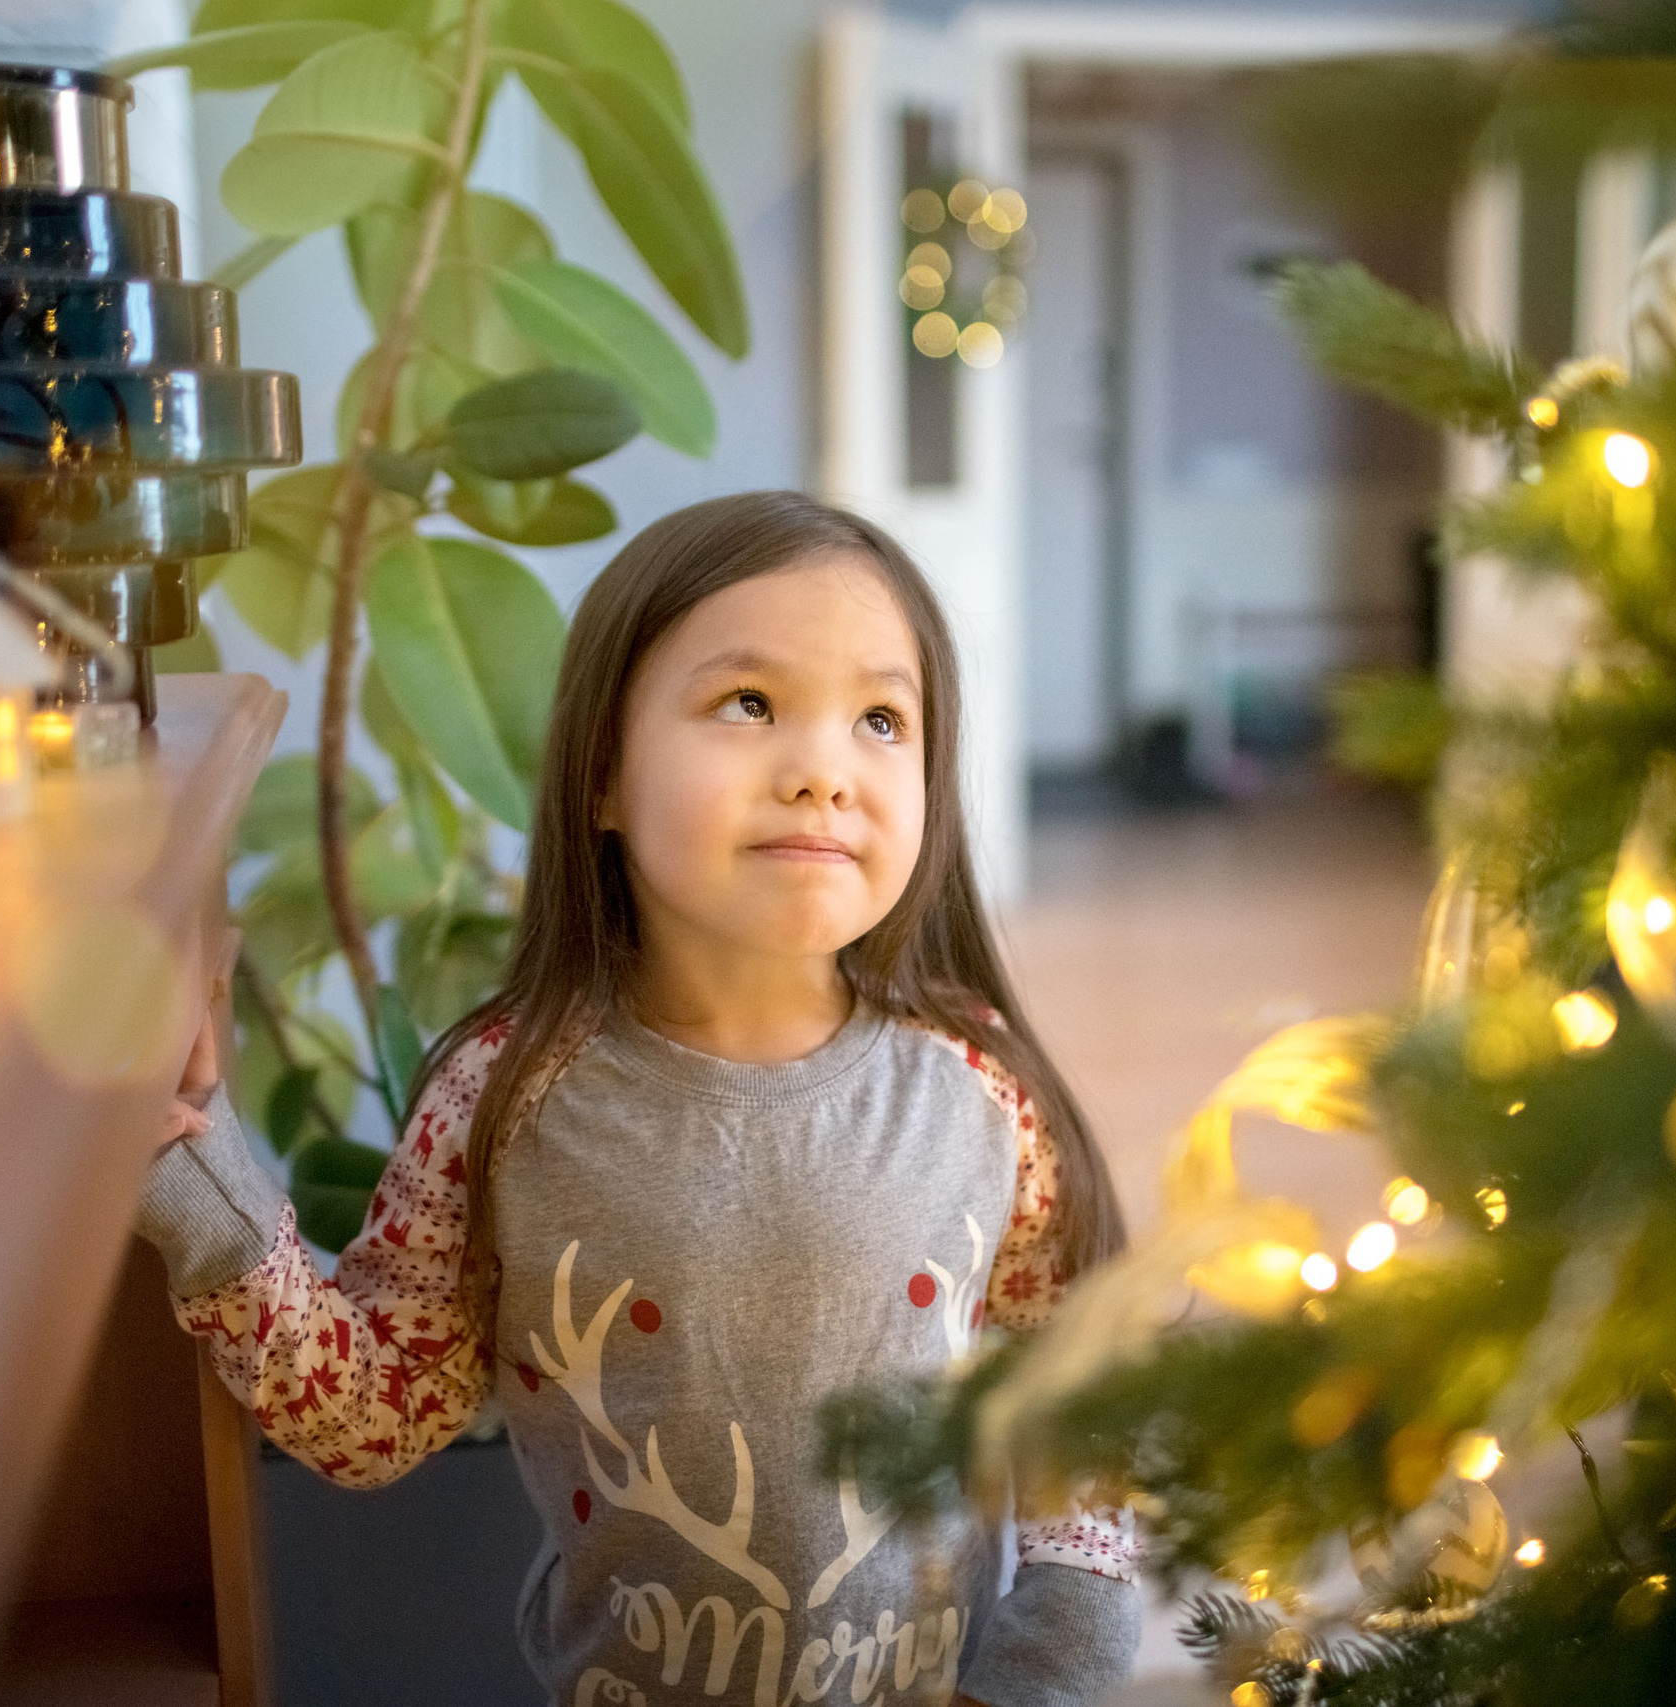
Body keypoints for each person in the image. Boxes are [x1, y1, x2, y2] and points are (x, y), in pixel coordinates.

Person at [141, 491, 1141, 1707]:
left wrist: (1045, 1672)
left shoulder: (981, 1088)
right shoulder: (504, 1096)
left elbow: (1075, 1420)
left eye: (881, 719)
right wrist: (192, 1175)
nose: (822, 771)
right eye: (750, 705)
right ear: (603, 777)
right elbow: (371, 1418)